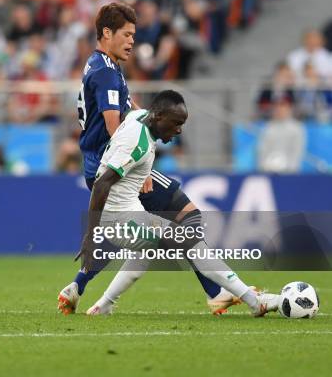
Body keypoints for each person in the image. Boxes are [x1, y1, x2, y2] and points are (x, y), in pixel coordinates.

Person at [58, 2, 240, 317]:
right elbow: (114, 124)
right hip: (115, 165)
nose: (132, 41)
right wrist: (139, 169)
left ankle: (78, 287)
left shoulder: (105, 66)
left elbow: (129, 113)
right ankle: (218, 293)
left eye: (134, 35)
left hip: (105, 164)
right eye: (127, 35)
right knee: (186, 217)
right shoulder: (105, 73)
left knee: (140, 234)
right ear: (106, 33)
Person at [79, 90, 280, 317]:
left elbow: (127, 109)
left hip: (132, 212)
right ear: (158, 117)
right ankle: (255, 302)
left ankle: (102, 306)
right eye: (175, 123)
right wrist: (91, 236)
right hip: (118, 220)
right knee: (192, 243)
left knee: (141, 257)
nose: (179, 130)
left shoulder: (140, 117)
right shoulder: (137, 143)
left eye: (182, 123)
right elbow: (102, 183)